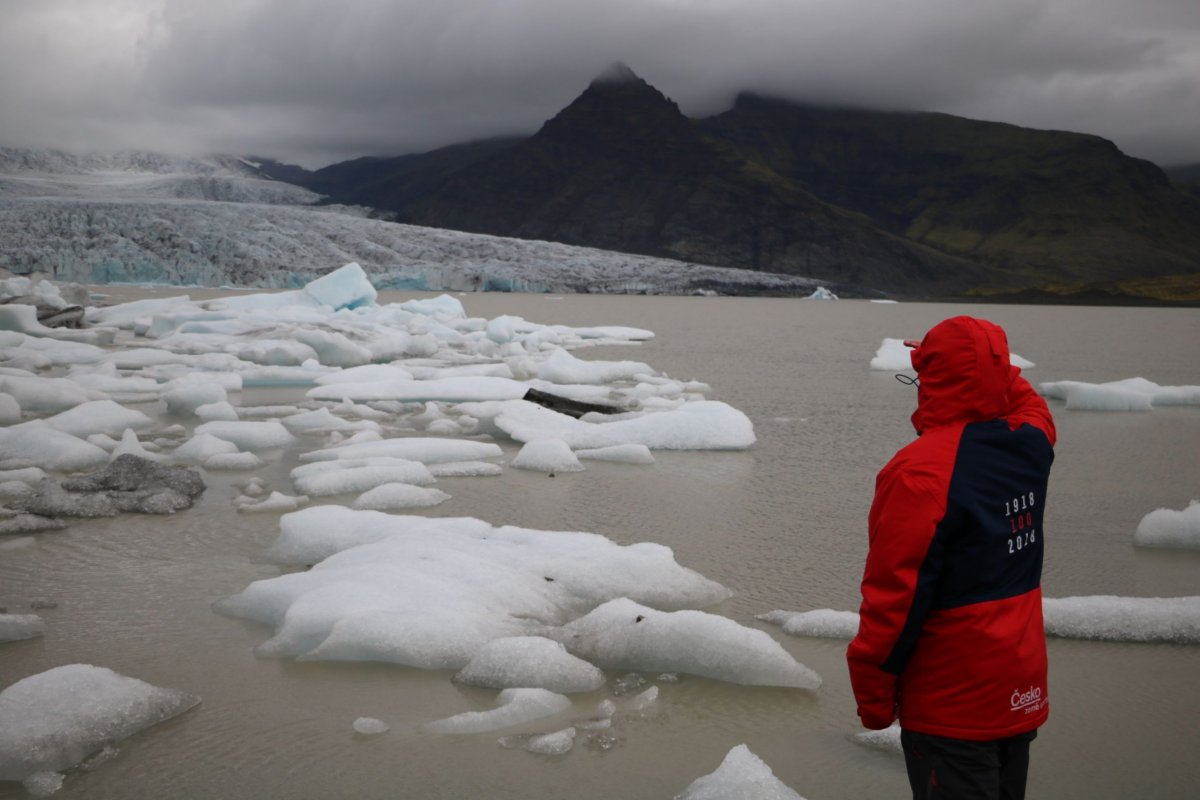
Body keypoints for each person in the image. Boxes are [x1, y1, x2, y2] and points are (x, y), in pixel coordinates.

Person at [847, 316, 1056, 800]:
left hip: (952, 704)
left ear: (932, 377)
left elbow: (893, 601)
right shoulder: (1030, 441)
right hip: (1018, 686)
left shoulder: (918, 473)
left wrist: (874, 702)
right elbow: (1026, 399)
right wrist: (984, 359)